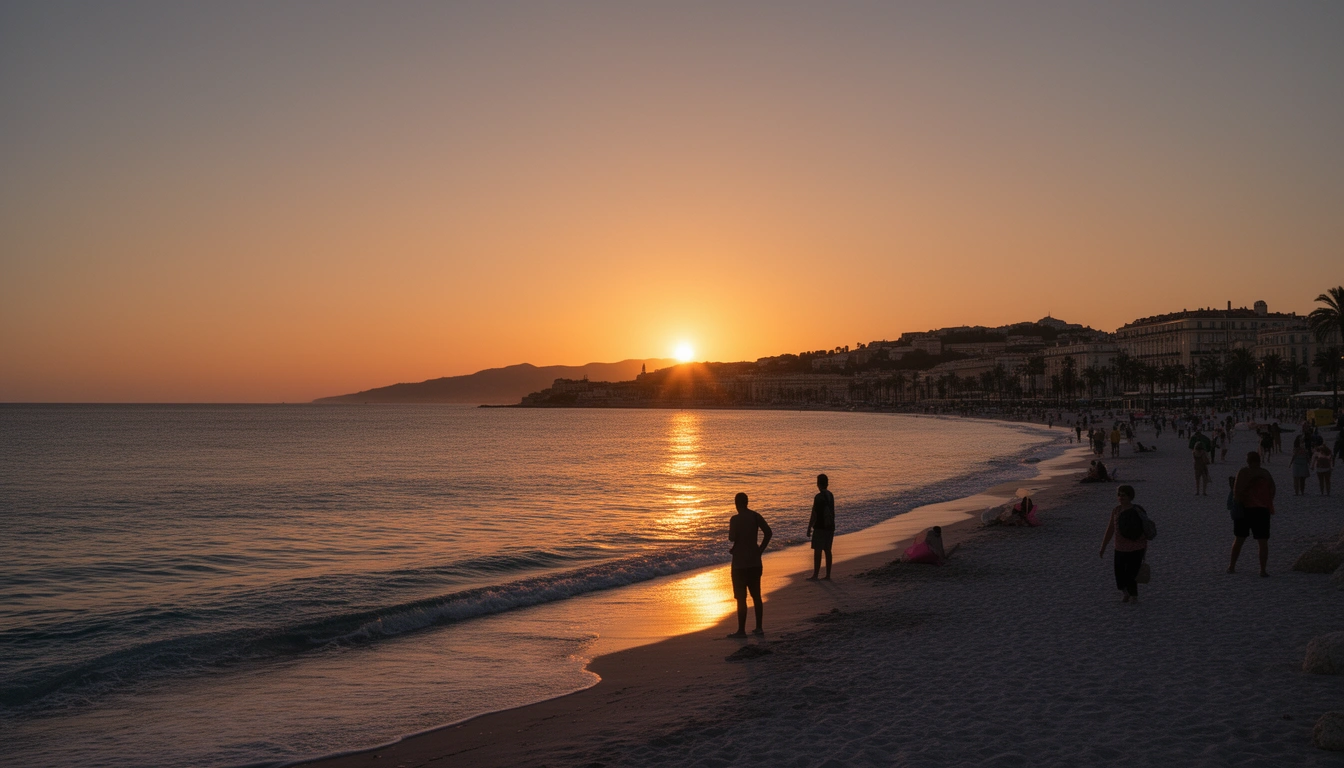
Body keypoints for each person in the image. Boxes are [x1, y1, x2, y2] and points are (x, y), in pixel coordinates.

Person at [727, 492, 772, 637]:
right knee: (756, 596)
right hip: (754, 561)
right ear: (747, 502)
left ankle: (741, 630)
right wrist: (760, 549)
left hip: (739, 564)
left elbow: (732, 538)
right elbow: (768, 533)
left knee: (741, 598)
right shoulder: (755, 516)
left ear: (736, 503)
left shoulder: (734, 519)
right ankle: (759, 627)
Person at [1098, 485, 1149, 604]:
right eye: (1119, 495)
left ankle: (1134, 596)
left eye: (1124, 495)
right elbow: (1110, 529)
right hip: (1119, 547)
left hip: (1137, 547)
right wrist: (1103, 547)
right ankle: (1125, 592)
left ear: (1130, 496)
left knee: (1132, 573)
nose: (1121, 497)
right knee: (1119, 573)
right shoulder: (1116, 510)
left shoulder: (1137, 510)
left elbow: (1146, 527)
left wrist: (1145, 545)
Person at [1230, 452, 1274, 577]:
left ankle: (1232, 566)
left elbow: (1236, 492)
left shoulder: (1243, 472)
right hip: (1262, 511)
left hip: (1245, 510)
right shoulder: (1265, 473)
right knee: (1262, 542)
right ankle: (1263, 570)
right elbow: (1272, 490)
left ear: (1248, 461)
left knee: (1239, 539)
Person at [806, 474, 835, 581]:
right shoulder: (830, 495)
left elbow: (814, 514)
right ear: (827, 483)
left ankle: (815, 575)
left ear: (818, 484)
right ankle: (828, 575)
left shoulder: (818, 497)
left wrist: (809, 527)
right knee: (827, 550)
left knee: (817, 551)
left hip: (820, 527)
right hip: (830, 526)